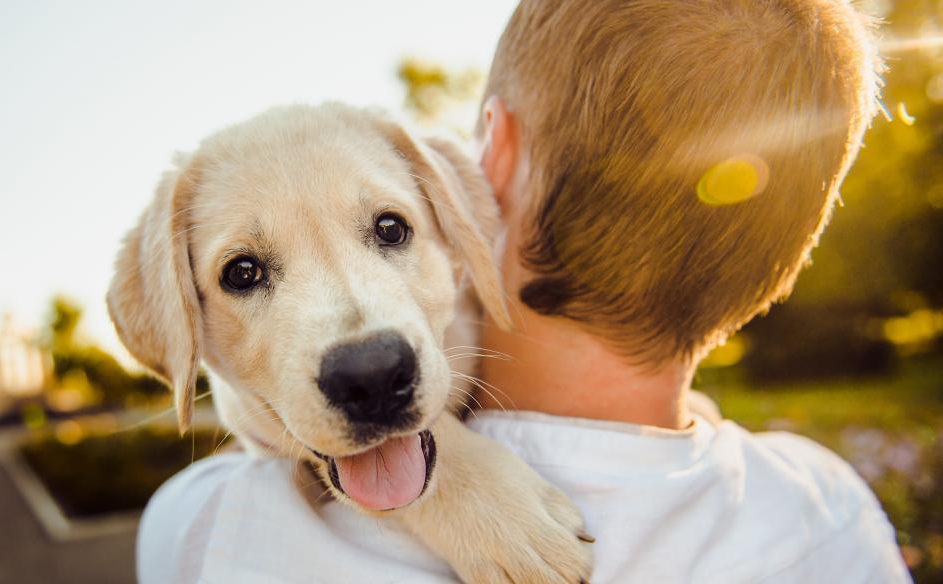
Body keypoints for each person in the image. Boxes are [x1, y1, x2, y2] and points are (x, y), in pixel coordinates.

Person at [137, 0, 912, 582]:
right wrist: (449, 481)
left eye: (389, 228)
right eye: (246, 273)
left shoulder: (206, 529)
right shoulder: (831, 516)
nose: (362, 340)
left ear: (488, 164)